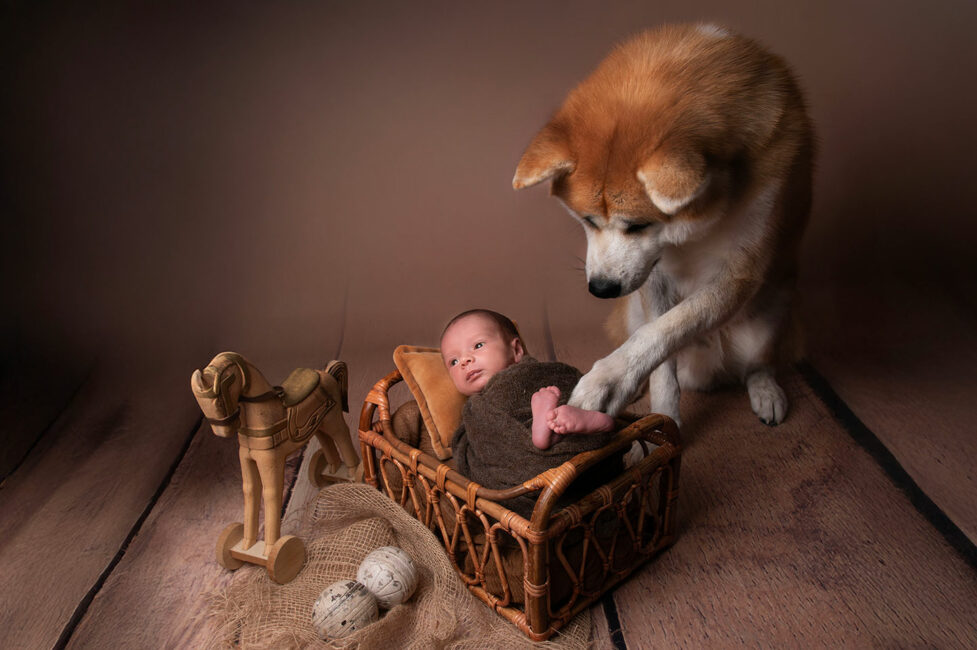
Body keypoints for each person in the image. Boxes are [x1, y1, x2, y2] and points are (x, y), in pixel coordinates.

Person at [440, 309, 614, 450]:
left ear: (516, 350)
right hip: (565, 437)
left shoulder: (534, 374)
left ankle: (549, 427)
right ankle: (584, 423)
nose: (465, 361)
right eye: (453, 361)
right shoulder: (476, 411)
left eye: (478, 345)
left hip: (548, 407)